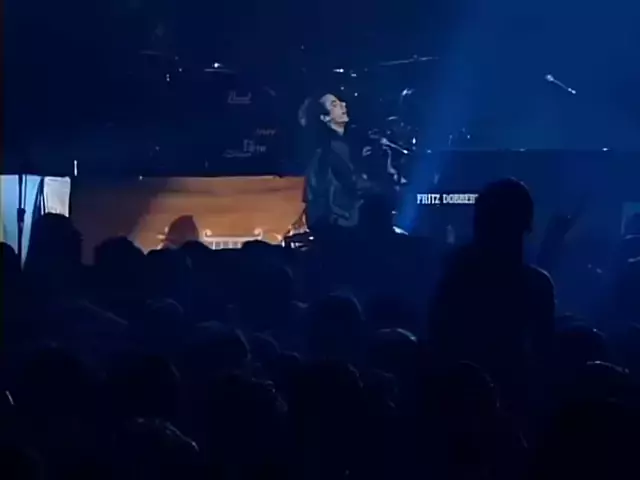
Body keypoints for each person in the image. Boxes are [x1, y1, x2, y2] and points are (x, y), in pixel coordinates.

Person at [298, 92, 377, 231]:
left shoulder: (327, 144)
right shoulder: (335, 146)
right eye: (334, 105)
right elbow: (354, 182)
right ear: (325, 117)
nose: (343, 105)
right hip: (340, 221)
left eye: (341, 102)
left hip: (325, 220)